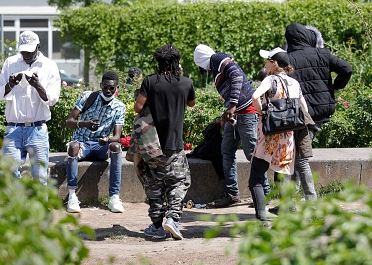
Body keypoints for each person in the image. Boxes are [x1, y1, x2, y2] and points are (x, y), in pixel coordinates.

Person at [283, 23, 352, 205]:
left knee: (299, 159)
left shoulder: (289, 59)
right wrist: (335, 87)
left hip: (301, 114)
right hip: (320, 112)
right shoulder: (322, 54)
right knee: (299, 157)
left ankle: (310, 203)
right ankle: (291, 203)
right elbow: (347, 68)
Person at [193, 44, 268, 208]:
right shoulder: (215, 66)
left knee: (252, 153)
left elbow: (237, 76)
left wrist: (232, 106)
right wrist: (229, 111)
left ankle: (264, 192)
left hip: (246, 112)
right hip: (235, 115)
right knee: (226, 151)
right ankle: (232, 194)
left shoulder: (218, 58)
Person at [134, 44, 196, 240]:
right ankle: (173, 219)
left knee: (154, 183)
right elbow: (191, 103)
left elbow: (138, 107)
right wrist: (180, 76)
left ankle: (157, 226)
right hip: (174, 144)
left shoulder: (150, 81)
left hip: (151, 143)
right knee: (180, 181)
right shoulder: (186, 82)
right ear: (177, 62)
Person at [0, 30, 61, 186]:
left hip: (37, 129)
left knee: (39, 176)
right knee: (9, 173)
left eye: (30, 51)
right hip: (13, 128)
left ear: (38, 47)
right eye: (23, 51)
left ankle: (40, 209)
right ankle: (14, 209)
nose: (26, 54)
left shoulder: (49, 65)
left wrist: (38, 86)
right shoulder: (10, 63)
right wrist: (11, 84)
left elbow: (52, 99)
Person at [250, 47, 308, 223]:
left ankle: (262, 219)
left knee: (256, 177)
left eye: (267, 61)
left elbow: (255, 97)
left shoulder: (270, 80)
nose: (265, 64)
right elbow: (304, 109)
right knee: (281, 176)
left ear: (274, 64)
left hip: (269, 136)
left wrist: (261, 114)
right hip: (287, 139)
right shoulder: (294, 83)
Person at [64, 71, 126, 214]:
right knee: (73, 147)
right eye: (105, 87)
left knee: (116, 147)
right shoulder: (88, 97)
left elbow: (117, 136)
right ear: (101, 85)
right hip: (83, 143)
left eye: (112, 88)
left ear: (116, 87)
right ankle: (72, 196)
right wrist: (85, 124)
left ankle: (114, 197)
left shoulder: (119, 107)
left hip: (101, 145)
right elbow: (69, 122)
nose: (108, 91)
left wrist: (108, 140)